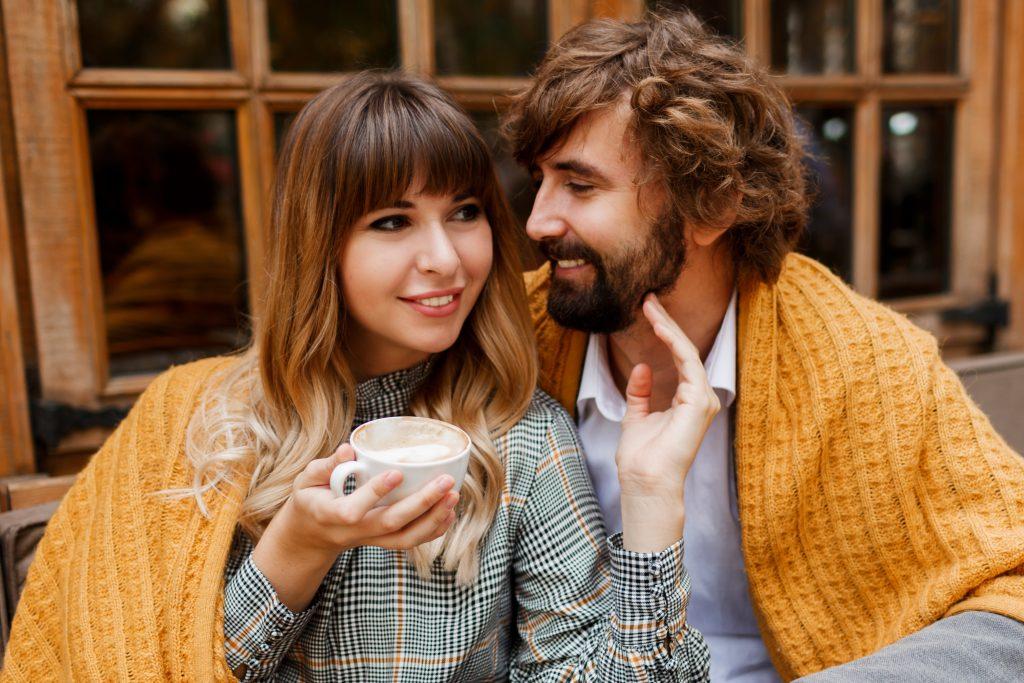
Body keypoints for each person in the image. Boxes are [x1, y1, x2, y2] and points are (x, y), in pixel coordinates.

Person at [1, 72, 715, 682]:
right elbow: (150, 661)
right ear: (321, 245)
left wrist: (652, 508)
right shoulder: (204, 421)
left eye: (463, 212)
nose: (445, 258)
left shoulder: (524, 436)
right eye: (392, 222)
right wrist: (298, 548)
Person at [503, 9, 1024, 682]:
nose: (538, 219)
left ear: (713, 203)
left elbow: (1013, 578)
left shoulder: (866, 360)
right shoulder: (509, 339)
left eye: (580, 185)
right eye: (539, 179)